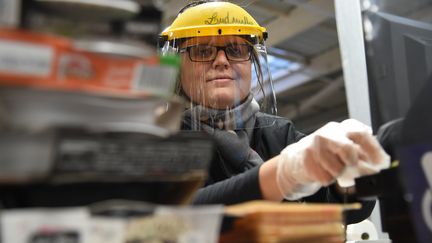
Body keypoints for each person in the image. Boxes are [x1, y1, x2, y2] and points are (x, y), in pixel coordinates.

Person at [158, 0, 390, 223]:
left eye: (236, 49)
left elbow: (348, 210)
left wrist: (348, 177)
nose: (222, 61)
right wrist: (278, 175)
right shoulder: (162, 140)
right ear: (177, 67)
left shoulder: (279, 134)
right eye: (201, 51)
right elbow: (170, 215)